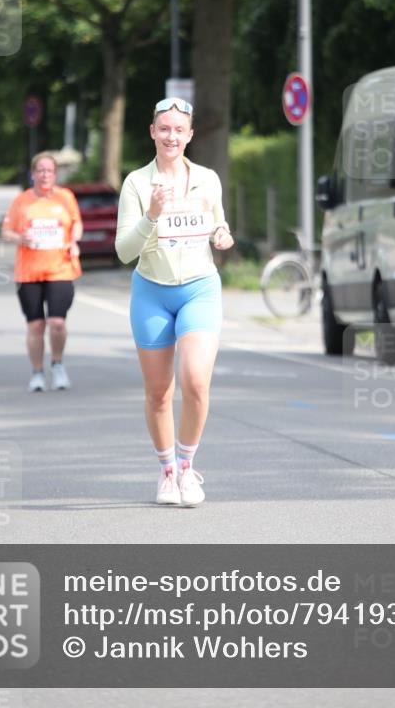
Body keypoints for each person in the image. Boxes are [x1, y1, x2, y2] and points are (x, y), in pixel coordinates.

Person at [115, 98, 234, 506]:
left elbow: (217, 221)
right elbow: (123, 251)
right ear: (152, 132)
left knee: (196, 381)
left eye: (178, 129)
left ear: (189, 135)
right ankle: (166, 472)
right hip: (151, 290)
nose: (171, 136)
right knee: (159, 392)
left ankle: (187, 467)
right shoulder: (135, 183)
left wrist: (222, 235)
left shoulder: (208, 178)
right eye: (163, 128)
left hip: (199, 287)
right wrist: (151, 215)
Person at [2, 152, 82, 392]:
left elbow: (76, 223)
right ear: (33, 173)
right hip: (29, 272)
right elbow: (6, 232)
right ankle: (37, 372)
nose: (45, 175)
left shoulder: (65, 197)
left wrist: (74, 240)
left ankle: (57, 365)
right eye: (41, 170)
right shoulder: (21, 201)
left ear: (55, 175)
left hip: (60, 268)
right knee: (36, 326)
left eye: (49, 171)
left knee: (57, 322)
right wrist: (19, 237)